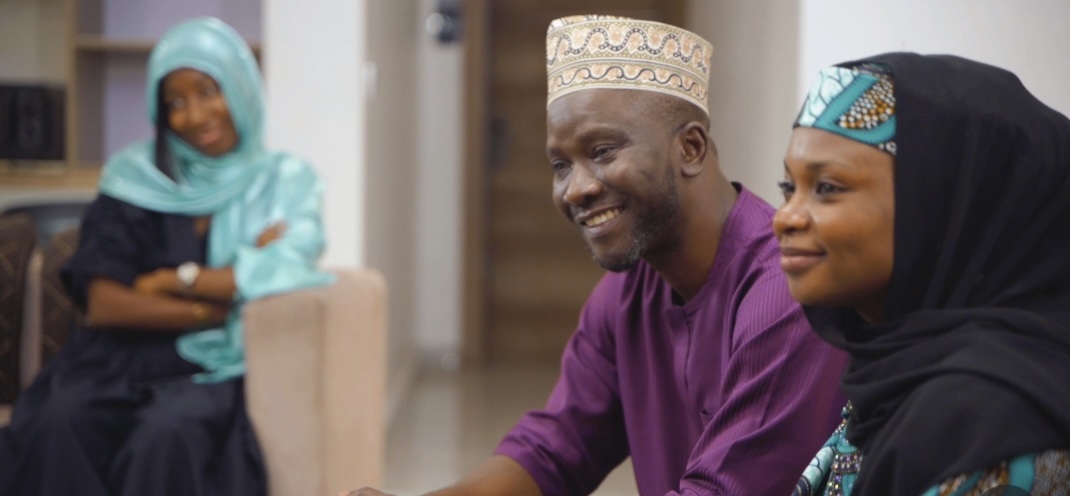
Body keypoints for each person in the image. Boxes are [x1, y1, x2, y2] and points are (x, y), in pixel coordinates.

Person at [352, 15, 847, 496]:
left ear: (691, 148)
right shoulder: (627, 294)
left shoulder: (787, 293)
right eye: (560, 165)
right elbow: (554, 450)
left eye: (603, 151)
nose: (576, 189)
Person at [0, 17, 334, 496]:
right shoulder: (135, 177)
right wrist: (218, 304)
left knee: (167, 435)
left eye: (207, 91)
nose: (195, 115)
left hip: (210, 369)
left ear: (239, 85)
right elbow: (106, 305)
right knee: (58, 420)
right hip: (112, 361)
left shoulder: (283, 181)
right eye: (175, 103)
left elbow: (290, 263)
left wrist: (171, 280)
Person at [775, 54, 1070, 496]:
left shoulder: (987, 421)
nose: (784, 218)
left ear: (941, 205)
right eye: (788, 188)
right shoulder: (894, 374)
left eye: (828, 188)